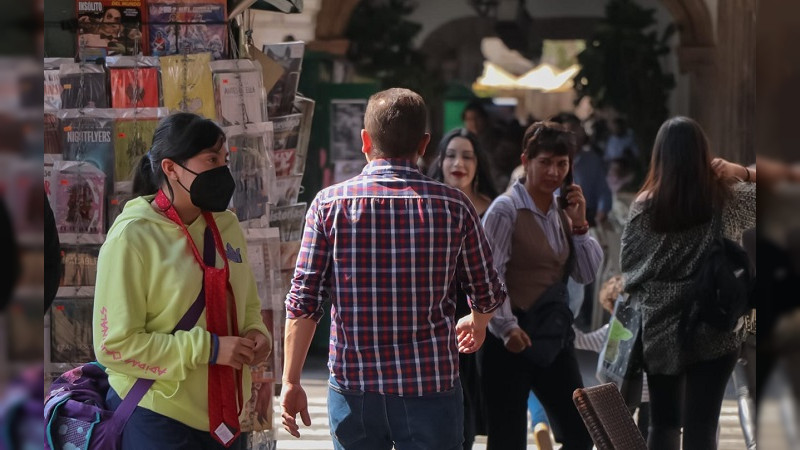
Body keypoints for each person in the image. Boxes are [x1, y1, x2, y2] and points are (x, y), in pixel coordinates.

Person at [281, 88, 507, 450]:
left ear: (365, 140)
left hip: (355, 387)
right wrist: (477, 322)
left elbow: (303, 301)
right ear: (425, 143)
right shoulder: (454, 206)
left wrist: (291, 381)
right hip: (430, 386)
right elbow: (488, 291)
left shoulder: (328, 205)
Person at [93, 112, 272, 449]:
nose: (222, 170)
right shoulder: (132, 237)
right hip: (158, 415)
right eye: (210, 159)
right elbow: (114, 346)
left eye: (224, 160)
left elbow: (247, 305)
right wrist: (211, 349)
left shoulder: (227, 226)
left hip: (227, 417)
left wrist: (257, 335)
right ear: (170, 168)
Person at [620, 116, 756, 450]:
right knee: (702, 427)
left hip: (660, 329)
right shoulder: (725, 200)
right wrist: (743, 171)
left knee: (664, 424)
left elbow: (629, 268)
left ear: (660, 156)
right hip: (715, 325)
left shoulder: (643, 207)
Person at [480, 120, 602, 450]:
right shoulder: (505, 210)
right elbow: (491, 275)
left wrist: (579, 226)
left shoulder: (563, 211)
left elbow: (586, 273)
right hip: (509, 340)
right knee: (507, 438)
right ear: (526, 161)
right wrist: (506, 327)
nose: (553, 172)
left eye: (561, 164)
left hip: (552, 337)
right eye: (545, 162)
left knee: (581, 432)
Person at [427, 127, 499, 449]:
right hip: (436, 315)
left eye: (467, 156)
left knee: (469, 400)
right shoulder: (427, 204)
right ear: (439, 161)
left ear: (478, 164)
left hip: (481, 317)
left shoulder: (493, 209)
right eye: (451, 155)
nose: (459, 163)